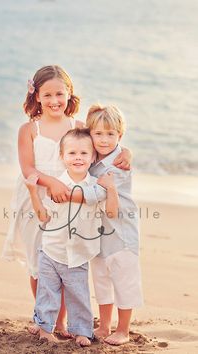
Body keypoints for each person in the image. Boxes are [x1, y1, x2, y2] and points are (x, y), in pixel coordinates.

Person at [1, 65, 131, 335]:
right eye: (47, 95)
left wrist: (126, 152)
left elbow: (105, 145)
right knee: (40, 261)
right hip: (35, 196)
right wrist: (53, 183)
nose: (54, 101)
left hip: (72, 201)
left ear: (69, 94)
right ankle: (43, 318)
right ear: (36, 96)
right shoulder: (29, 130)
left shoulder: (79, 126)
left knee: (65, 257)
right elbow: (28, 170)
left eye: (60, 94)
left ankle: (61, 321)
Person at [26, 128, 119, 346]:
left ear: (93, 156)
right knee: (47, 292)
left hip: (78, 253)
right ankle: (44, 327)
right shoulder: (56, 185)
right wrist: (33, 192)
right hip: (51, 249)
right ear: (62, 156)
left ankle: (81, 331)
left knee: (79, 294)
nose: (78, 157)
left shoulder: (96, 186)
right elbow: (43, 217)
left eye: (84, 153)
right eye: (72, 153)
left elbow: (112, 212)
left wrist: (112, 188)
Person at [84, 104, 143, 346]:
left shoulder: (118, 164)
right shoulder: (92, 157)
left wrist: (67, 192)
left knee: (124, 280)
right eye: (98, 134)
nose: (104, 139)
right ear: (90, 135)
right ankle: (105, 324)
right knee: (101, 278)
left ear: (120, 135)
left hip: (121, 233)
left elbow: (96, 193)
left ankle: (124, 329)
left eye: (111, 134)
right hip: (99, 233)